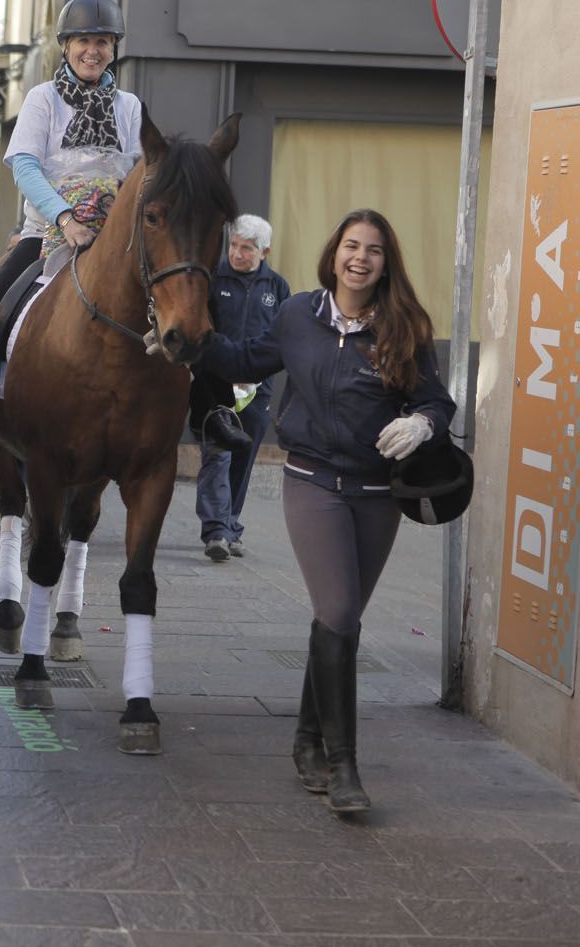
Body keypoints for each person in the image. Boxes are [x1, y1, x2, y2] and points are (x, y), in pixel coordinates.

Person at [190, 208, 454, 815]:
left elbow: (437, 400)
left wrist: (422, 422)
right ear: (334, 252)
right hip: (313, 481)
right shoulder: (297, 315)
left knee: (339, 622)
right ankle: (344, 767)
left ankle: (307, 740)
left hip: (379, 492)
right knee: (338, 612)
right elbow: (243, 361)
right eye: (352, 246)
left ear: (388, 263)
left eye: (375, 250)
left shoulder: (406, 325)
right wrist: (188, 344)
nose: (360, 258)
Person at [0, 0, 251, 459]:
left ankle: (214, 408)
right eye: (83, 40)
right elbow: (23, 165)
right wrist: (65, 217)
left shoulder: (129, 106)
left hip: (118, 238)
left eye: (103, 41)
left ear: (113, 48)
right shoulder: (42, 99)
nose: (93, 50)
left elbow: (144, 174)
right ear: (65, 46)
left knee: (199, 300)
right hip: (48, 233)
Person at [196, 214, 290, 562]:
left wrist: (257, 372)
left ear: (264, 251)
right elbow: (200, 329)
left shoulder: (277, 288)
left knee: (243, 458)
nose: (237, 254)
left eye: (246, 248)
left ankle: (231, 524)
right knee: (217, 454)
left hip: (257, 388)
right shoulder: (211, 278)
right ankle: (216, 531)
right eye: (234, 246)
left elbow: (282, 339)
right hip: (215, 384)